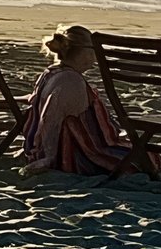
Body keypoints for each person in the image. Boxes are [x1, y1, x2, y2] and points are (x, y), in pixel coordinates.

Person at [20, 24, 130, 175]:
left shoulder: (50, 73)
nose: (96, 57)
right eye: (94, 51)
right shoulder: (72, 80)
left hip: (49, 149)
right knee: (145, 158)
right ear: (85, 54)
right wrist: (49, 157)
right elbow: (51, 119)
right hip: (73, 154)